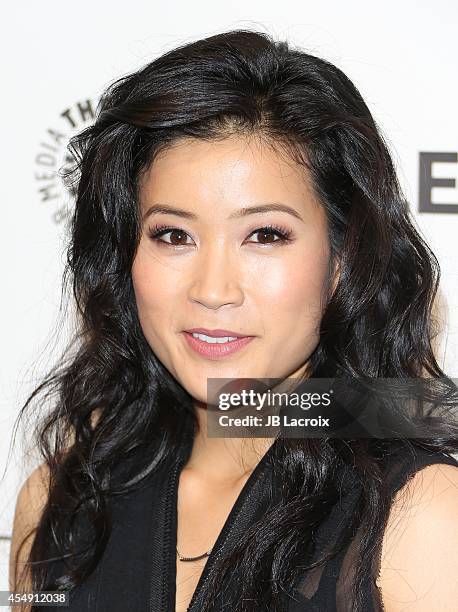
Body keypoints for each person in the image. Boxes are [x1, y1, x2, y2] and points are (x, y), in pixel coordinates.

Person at [9, 29, 458, 612]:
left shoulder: (421, 518)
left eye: (265, 235)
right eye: (173, 235)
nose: (213, 290)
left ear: (343, 260)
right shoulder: (58, 504)